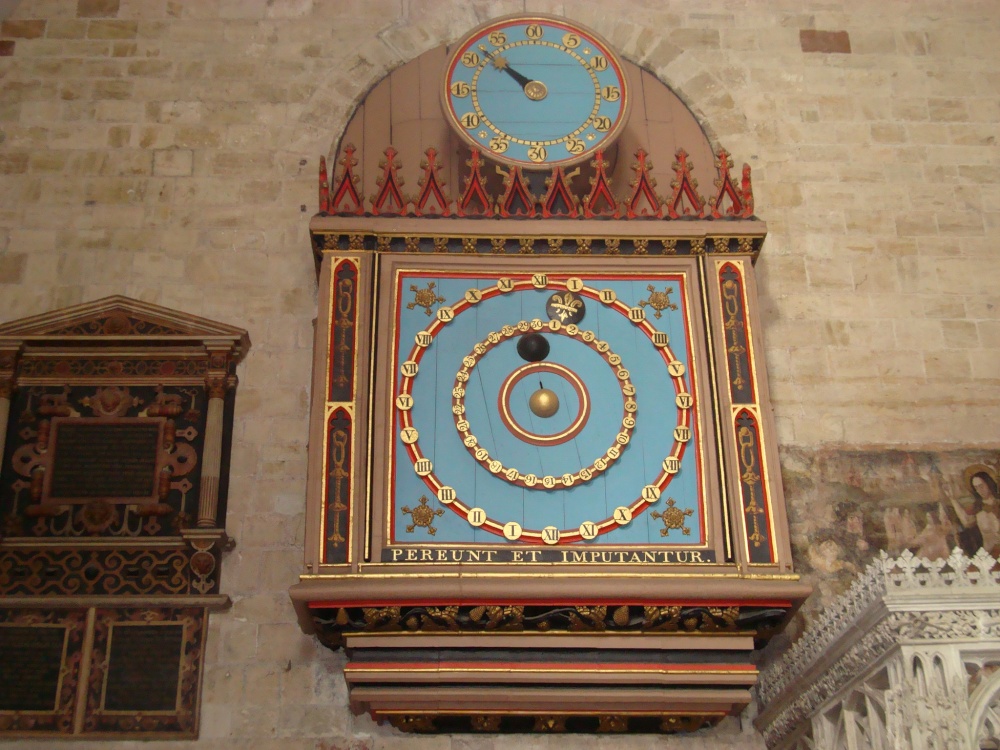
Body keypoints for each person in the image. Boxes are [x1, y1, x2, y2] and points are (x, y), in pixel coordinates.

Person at [950, 467, 1000, 557]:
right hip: (989, 554)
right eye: (976, 488)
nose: (980, 490)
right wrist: (952, 499)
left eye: (981, 486)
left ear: (989, 483)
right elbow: (966, 522)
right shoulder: (977, 508)